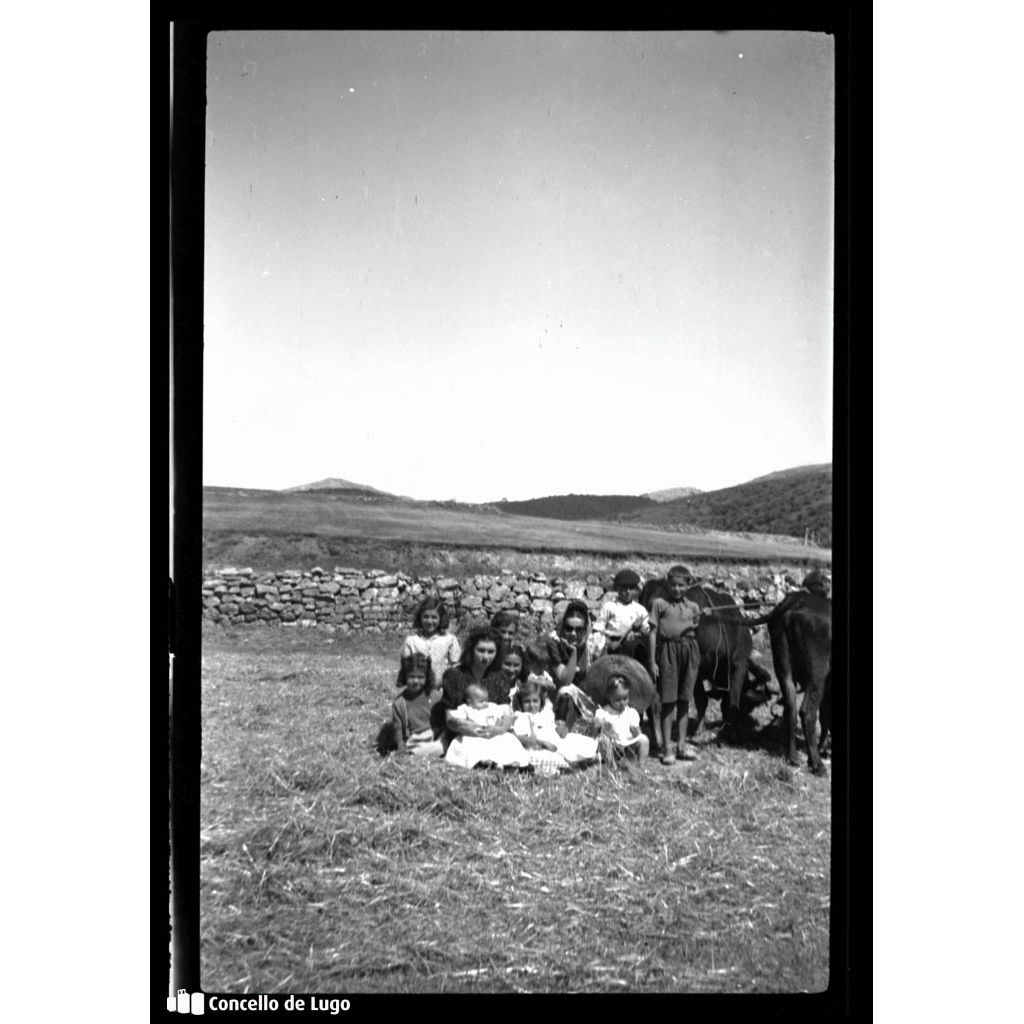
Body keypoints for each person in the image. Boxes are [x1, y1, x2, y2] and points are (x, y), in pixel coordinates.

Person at [648, 565, 704, 765]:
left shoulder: (694, 608)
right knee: (668, 700)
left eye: (681, 585)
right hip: (668, 652)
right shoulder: (659, 604)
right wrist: (652, 660)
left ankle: (681, 745)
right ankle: (666, 748)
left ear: (688, 586)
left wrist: (693, 656)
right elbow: (653, 633)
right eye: (673, 585)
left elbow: (695, 628)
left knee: (684, 700)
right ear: (667, 584)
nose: (677, 589)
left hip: (689, 651)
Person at [435, 626, 514, 743]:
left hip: (494, 734)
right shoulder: (453, 675)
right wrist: (473, 729)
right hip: (463, 735)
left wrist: (500, 730)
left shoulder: (499, 677)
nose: (486, 657)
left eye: (491, 652)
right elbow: (449, 718)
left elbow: (507, 713)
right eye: (481, 650)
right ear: (471, 650)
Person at [513, 677, 598, 770]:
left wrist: (559, 729)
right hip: (542, 744)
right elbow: (521, 737)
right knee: (561, 752)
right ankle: (579, 761)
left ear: (541, 700)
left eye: (535, 701)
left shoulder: (544, 714)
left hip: (555, 739)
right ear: (521, 703)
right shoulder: (522, 716)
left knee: (575, 740)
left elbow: (552, 727)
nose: (532, 705)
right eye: (527, 702)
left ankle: (592, 756)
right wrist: (540, 742)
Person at [444, 682, 531, 769]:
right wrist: (468, 724)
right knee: (471, 747)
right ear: (469, 701)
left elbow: (503, 715)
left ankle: (516, 762)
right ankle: (482, 763)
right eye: (481, 701)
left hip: (494, 734)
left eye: (487, 700)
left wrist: (498, 725)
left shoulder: (492, 707)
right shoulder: (466, 709)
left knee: (509, 741)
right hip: (474, 735)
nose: (485, 703)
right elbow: (456, 719)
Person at [546, 600, 598, 733]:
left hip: (587, 699)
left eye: (579, 629)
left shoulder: (594, 644)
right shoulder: (555, 642)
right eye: (569, 628)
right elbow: (565, 679)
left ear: (586, 629)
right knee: (566, 691)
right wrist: (573, 653)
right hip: (558, 697)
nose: (573, 634)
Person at [389, 652, 445, 758]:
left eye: (420, 677)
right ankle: (419, 753)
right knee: (421, 750)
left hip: (437, 734)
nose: (415, 681)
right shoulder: (400, 703)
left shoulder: (435, 696)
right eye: (411, 677)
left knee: (445, 740)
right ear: (405, 677)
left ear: (427, 677)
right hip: (417, 740)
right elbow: (398, 729)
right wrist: (401, 748)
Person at [594, 569, 650, 660]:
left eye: (631, 588)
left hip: (634, 651)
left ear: (635, 589)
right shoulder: (609, 607)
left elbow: (649, 633)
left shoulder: (640, 610)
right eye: (624, 588)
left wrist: (640, 628)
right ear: (617, 588)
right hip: (613, 649)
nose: (627, 592)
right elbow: (597, 631)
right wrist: (609, 643)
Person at [594, 675, 650, 765]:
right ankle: (611, 764)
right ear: (609, 697)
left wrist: (636, 732)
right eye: (618, 700)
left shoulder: (630, 712)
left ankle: (640, 764)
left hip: (627, 744)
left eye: (625, 698)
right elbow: (595, 732)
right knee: (603, 742)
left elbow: (638, 733)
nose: (622, 703)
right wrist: (600, 726)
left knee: (644, 740)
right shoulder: (604, 712)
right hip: (612, 745)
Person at [401, 596, 461, 679]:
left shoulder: (449, 640)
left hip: (444, 687)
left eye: (434, 617)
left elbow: (456, 666)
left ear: (441, 618)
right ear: (420, 618)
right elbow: (406, 667)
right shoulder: (412, 641)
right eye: (425, 617)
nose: (429, 621)